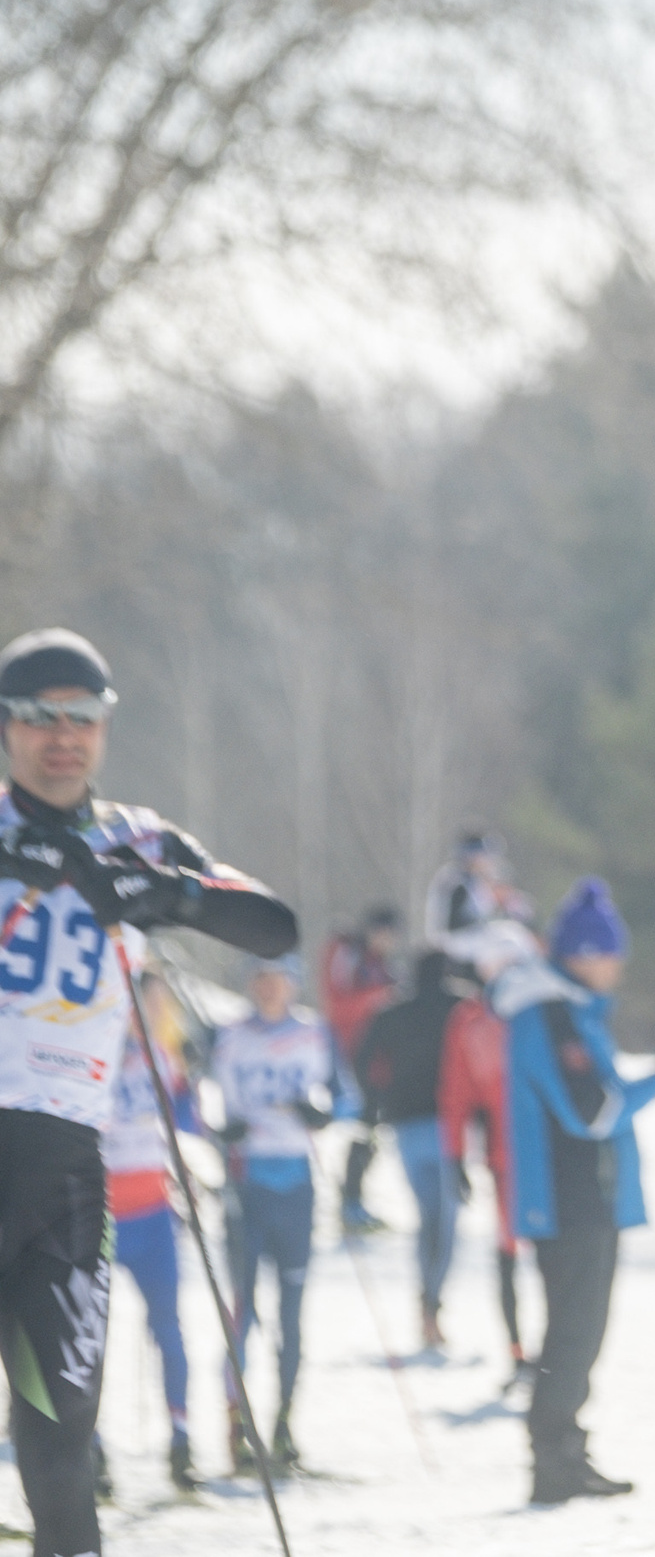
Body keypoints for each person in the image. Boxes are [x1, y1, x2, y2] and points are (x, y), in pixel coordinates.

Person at [0, 625, 297, 1554]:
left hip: (63, 1169)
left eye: (81, 717)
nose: (62, 736)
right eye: (39, 716)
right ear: (8, 727)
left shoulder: (137, 836)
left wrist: (167, 893)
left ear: (104, 727)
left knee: (60, 1442)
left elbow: (275, 927)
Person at [491, 878, 655, 1504]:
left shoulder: (567, 1008)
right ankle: (552, 1460)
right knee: (572, 1332)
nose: (618, 965)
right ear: (580, 953)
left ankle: (567, 1449)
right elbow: (590, 1110)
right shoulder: (548, 1012)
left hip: (587, 1195)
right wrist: (653, 1085)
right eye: (609, 952)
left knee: (584, 1330)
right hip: (567, 1197)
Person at [210, 953, 337, 1471]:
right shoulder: (230, 1035)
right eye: (260, 978)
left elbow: (340, 1097)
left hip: (296, 1185)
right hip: (248, 1183)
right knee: (243, 1313)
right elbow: (204, 1105)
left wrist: (320, 1113)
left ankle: (285, 1425)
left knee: (292, 1314)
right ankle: (237, 1427)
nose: (268, 988)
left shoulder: (313, 1032)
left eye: (278, 979)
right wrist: (225, 1130)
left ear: (293, 984)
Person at [106, 969, 204, 1493]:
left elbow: (188, 1123)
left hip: (153, 1213)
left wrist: (191, 1087)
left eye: (157, 1006)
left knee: (169, 1328)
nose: (150, 1016)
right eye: (142, 1005)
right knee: (87, 1339)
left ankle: (181, 1438)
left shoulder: (165, 1058)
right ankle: (89, 1447)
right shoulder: (95, 1052)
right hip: (99, 1214)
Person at [357, 948, 463, 1351]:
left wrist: (376, 1100)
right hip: (447, 1122)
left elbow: (362, 1056)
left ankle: (427, 1304)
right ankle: (432, 1303)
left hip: (404, 1124)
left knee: (426, 1217)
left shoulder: (390, 1012)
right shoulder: (460, 1007)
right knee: (446, 1221)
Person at [440, 958, 527, 1390]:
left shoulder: (537, 1009)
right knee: (508, 1256)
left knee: (556, 1259)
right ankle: (518, 1354)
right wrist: (455, 1155)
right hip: (502, 1160)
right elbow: (457, 1090)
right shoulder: (469, 1020)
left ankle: (555, 1358)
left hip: (548, 1157)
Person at [320, 904, 402, 1234]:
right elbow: (337, 1002)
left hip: (377, 1058)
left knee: (372, 1129)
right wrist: (382, 996)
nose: (389, 942)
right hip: (351, 1052)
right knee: (362, 1126)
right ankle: (349, 1202)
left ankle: (354, 1199)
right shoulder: (349, 953)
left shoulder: (378, 964)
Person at [423, 829, 531, 982]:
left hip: (462, 939)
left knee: (515, 936)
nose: (489, 860)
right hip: (449, 942)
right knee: (511, 940)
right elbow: (453, 923)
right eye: (484, 855)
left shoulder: (472, 880)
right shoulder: (455, 880)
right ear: (471, 855)